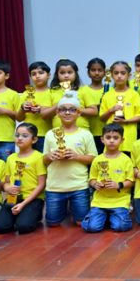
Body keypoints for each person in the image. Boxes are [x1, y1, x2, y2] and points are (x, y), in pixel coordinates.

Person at [43, 91, 98, 227]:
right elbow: (44, 159)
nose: (67, 113)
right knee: (52, 223)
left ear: (79, 113)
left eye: (72, 110)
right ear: (57, 112)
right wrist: (50, 156)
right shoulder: (50, 134)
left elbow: (93, 159)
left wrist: (76, 156)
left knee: (81, 222)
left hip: (79, 186)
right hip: (55, 187)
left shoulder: (86, 134)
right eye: (63, 110)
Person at [0, 123, 47, 235]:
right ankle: (17, 215)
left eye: (24, 136)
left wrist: (23, 204)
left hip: (32, 199)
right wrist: (8, 188)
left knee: (23, 227)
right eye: (17, 135)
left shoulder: (39, 157)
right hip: (13, 197)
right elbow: (6, 182)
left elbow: (41, 185)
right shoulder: (11, 158)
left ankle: (35, 214)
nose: (20, 138)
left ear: (34, 139)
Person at [83, 124, 134, 233]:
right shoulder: (97, 160)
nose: (111, 141)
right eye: (108, 137)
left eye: (115, 138)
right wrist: (95, 184)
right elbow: (91, 179)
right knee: (92, 228)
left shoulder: (126, 160)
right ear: (102, 139)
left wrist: (118, 185)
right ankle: (104, 218)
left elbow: (131, 181)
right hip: (99, 202)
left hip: (120, 202)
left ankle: (109, 218)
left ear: (122, 140)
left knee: (120, 227)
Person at [99, 61, 140, 155]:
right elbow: (102, 118)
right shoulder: (107, 95)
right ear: (111, 75)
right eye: (116, 73)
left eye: (123, 73)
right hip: (111, 140)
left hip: (128, 140)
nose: (119, 76)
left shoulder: (134, 94)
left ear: (129, 75)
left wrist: (125, 121)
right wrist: (111, 110)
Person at [43, 59, 95, 131]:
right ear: (57, 75)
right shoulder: (52, 91)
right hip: (59, 134)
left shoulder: (84, 90)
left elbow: (94, 111)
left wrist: (76, 109)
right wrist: (60, 104)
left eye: (70, 72)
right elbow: (44, 115)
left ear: (75, 74)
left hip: (81, 132)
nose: (66, 75)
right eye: (62, 73)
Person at [16, 61, 52, 152]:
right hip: (27, 136)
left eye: (41, 73)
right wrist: (22, 108)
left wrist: (41, 109)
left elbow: (56, 112)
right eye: (33, 74)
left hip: (47, 134)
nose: (37, 76)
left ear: (49, 75)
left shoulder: (53, 93)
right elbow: (19, 118)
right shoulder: (25, 94)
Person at [82, 58, 107, 153]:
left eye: (100, 70)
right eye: (93, 70)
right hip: (88, 132)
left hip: (106, 133)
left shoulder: (111, 91)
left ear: (105, 73)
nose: (96, 73)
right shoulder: (83, 90)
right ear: (88, 73)